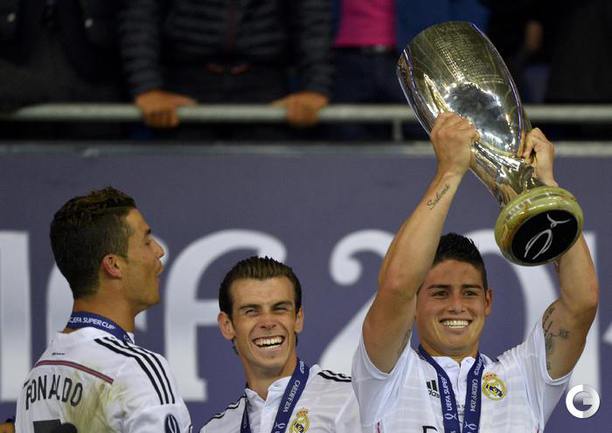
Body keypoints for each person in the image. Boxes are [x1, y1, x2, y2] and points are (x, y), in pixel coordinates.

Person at [351, 113, 599, 432]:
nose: (457, 305)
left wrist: (546, 189)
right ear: (415, 304)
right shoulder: (386, 375)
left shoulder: (525, 378)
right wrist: (450, 171)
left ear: (487, 301)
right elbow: (397, 285)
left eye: (469, 292)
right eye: (440, 293)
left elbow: (581, 302)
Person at [15, 187, 192, 433]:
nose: (159, 251)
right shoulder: (134, 369)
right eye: (146, 241)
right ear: (114, 265)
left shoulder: (36, 378)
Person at [120, 0, 332, 137]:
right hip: (183, 87)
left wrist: (315, 89)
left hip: (266, 87)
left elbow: (313, 19)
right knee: (180, 184)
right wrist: (147, 88)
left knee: (267, 185)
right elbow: (140, 16)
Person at [200, 256, 361, 433]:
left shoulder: (351, 400)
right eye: (251, 311)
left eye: (279, 309)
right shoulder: (215, 430)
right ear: (227, 325)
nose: (268, 322)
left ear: (298, 319)